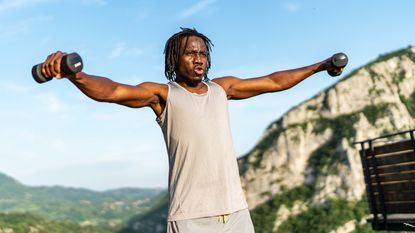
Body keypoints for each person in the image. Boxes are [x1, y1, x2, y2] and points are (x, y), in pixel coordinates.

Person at [40, 28, 343, 233]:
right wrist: (76, 75)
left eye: (202, 53)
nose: (199, 59)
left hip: (237, 214)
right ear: (175, 59)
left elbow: (274, 81)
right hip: (192, 220)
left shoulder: (222, 89)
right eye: (190, 53)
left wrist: (319, 67)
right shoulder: (162, 95)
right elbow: (114, 91)